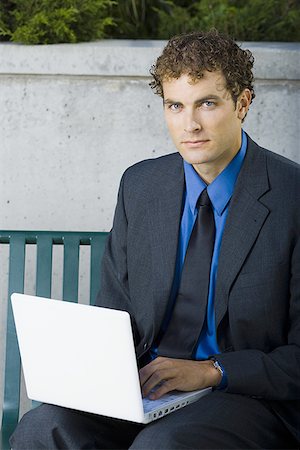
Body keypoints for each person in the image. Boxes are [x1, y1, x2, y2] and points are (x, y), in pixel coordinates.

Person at [10, 29, 299, 450]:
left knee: (161, 446)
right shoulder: (141, 186)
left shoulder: (291, 196)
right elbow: (116, 313)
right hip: (147, 388)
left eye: (207, 103)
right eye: (175, 105)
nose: (190, 124)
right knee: (43, 428)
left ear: (242, 103)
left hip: (244, 396)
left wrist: (211, 371)